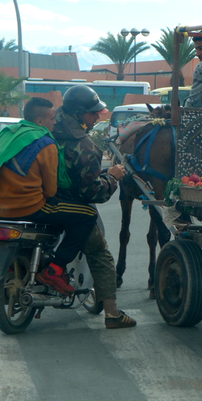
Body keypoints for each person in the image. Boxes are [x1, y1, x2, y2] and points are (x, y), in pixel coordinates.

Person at [0, 97, 98, 297]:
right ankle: (55, 269)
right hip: (30, 208)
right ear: (39, 121)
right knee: (87, 215)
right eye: (52, 119)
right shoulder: (46, 143)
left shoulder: (5, 135)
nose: (55, 122)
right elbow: (51, 190)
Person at [51, 85, 136, 329]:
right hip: (69, 207)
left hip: (36, 203)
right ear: (78, 113)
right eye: (92, 113)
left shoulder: (47, 126)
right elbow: (93, 192)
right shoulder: (84, 145)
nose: (97, 117)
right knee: (100, 253)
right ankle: (112, 313)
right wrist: (113, 177)